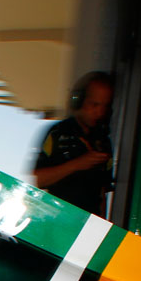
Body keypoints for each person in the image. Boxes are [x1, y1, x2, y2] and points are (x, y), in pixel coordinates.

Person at [33, 71, 115, 216]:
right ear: (78, 101)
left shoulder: (103, 141)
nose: (100, 112)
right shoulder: (57, 133)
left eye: (105, 106)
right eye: (94, 104)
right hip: (56, 217)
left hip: (89, 222)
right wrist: (77, 164)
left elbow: (103, 192)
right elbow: (37, 179)